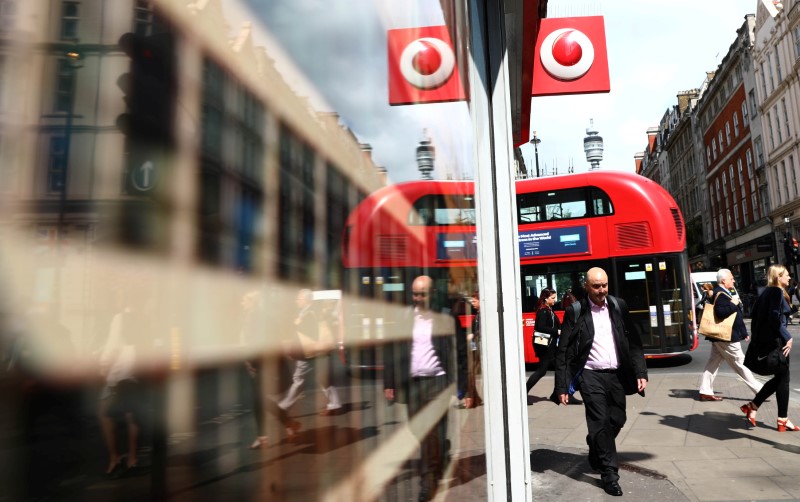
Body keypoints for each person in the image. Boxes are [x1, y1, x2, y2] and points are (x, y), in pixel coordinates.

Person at [554, 267, 647, 497]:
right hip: (589, 375)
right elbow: (563, 351)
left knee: (617, 419)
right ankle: (609, 475)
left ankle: (595, 444)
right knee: (600, 422)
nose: (601, 290)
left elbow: (634, 341)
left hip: (616, 374)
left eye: (604, 285)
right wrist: (562, 386)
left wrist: (640, 372)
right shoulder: (575, 311)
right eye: (596, 286)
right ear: (587, 286)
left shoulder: (618, 306)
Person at [384, 275, 458, 501]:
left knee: (428, 433)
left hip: (438, 381)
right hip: (413, 384)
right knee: (417, 430)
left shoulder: (444, 316)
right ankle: (439, 451)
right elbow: (392, 350)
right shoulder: (404, 318)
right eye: (415, 294)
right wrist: (389, 383)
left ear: (432, 294)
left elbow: (457, 351)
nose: (417, 298)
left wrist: (460, 384)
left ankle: (428, 480)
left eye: (422, 294)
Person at [239, 290, 301, 449]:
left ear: (253, 302)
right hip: (261, 364)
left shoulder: (258, 319)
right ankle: (287, 423)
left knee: (258, 400)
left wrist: (252, 360)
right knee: (261, 400)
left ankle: (263, 436)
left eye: (245, 300)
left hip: (264, 364)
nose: (242, 303)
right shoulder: (255, 318)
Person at [740, 265, 798, 431]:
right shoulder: (776, 292)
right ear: (778, 277)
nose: (789, 277)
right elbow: (774, 318)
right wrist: (789, 337)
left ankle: (758, 408)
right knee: (783, 378)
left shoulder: (767, 292)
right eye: (787, 275)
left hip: (771, 342)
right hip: (778, 343)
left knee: (781, 378)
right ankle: (779, 418)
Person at [697, 268, 763, 401]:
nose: (733, 280)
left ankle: (705, 391)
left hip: (722, 335)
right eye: (731, 278)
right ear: (723, 280)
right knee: (740, 362)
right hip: (726, 337)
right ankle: (760, 390)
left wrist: (743, 332)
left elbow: (736, 317)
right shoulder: (720, 294)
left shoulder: (723, 292)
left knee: (713, 362)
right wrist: (733, 304)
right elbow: (721, 313)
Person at [278, 289, 342, 417]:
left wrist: (298, 324)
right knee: (323, 379)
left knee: (298, 379)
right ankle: (335, 403)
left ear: (306, 300)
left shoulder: (310, 313)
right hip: (316, 352)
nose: (297, 301)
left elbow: (309, 333)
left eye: (299, 299)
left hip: (309, 353)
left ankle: (284, 407)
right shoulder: (309, 312)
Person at [525, 288, 560, 395]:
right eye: (553, 298)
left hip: (551, 346)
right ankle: (524, 391)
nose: (555, 300)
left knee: (560, 368)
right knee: (542, 371)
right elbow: (540, 327)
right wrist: (557, 331)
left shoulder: (549, 309)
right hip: (546, 347)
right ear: (545, 298)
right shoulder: (543, 311)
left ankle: (560, 393)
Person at [454, 290, 482, 409]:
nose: (473, 303)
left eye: (475, 301)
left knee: (470, 374)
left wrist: (473, 336)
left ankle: (472, 398)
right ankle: (474, 398)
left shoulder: (482, 315)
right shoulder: (478, 315)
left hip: (479, 349)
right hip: (475, 348)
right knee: (470, 374)